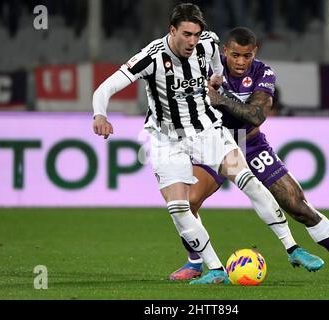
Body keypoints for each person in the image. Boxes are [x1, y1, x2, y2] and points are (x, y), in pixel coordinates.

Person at [93, 3, 316, 285]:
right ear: (172, 30)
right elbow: (105, 88)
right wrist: (100, 114)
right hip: (165, 139)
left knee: (249, 181)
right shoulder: (150, 57)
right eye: (186, 34)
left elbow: (215, 66)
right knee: (178, 207)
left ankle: (292, 248)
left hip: (207, 131)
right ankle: (215, 269)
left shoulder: (208, 44)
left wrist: (216, 78)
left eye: (196, 34)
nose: (192, 41)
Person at [169, 27, 329, 283]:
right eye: (235, 55)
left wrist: (221, 99)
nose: (240, 62)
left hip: (251, 145)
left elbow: (257, 115)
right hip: (215, 145)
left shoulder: (263, 73)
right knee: (189, 201)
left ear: (254, 53)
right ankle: (195, 262)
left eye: (246, 56)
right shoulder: (204, 68)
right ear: (224, 51)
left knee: (297, 205)